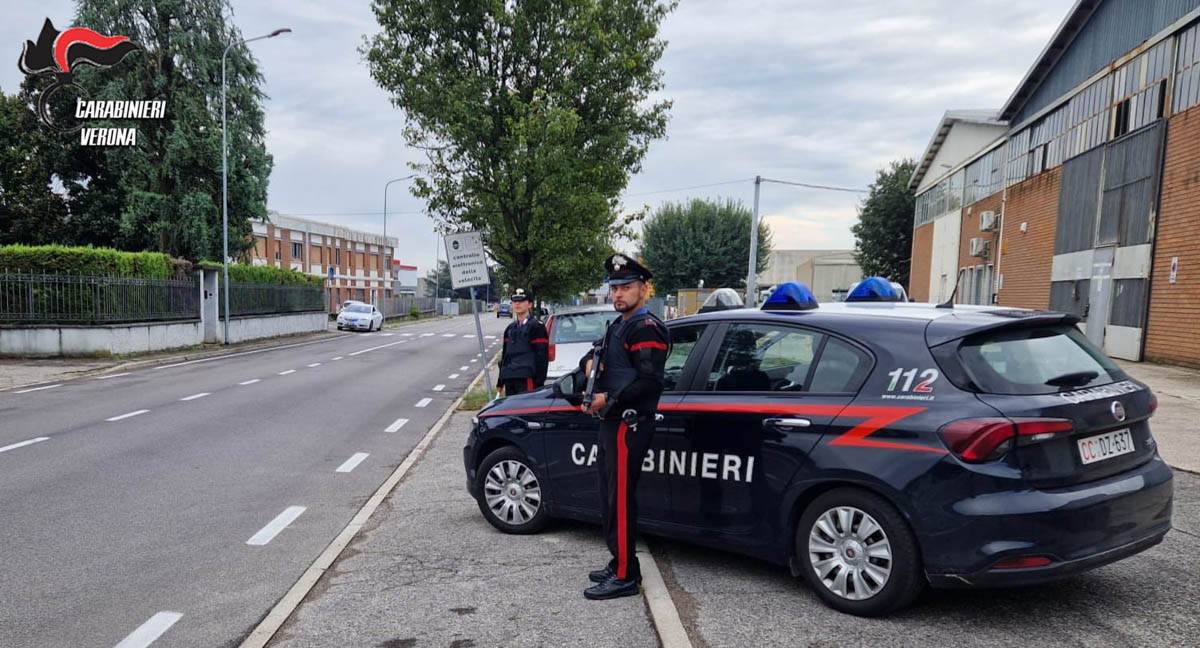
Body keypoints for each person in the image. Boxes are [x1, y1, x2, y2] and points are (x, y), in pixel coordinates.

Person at [579, 254, 670, 600]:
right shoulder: (619, 325)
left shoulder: (646, 328)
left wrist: (610, 401)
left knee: (621, 501)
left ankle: (625, 576)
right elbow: (601, 359)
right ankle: (619, 560)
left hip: (627, 426)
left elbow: (649, 383)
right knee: (609, 497)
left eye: (626, 287)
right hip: (612, 424)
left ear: (644, 289)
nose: (618, 294)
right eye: (614, 288)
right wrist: (588, 366)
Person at [496, 289, 549, 396]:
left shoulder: (537, 327)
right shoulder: (510, 329)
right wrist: (500, 382)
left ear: (529, 304)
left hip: (527, 379)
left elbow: (542, 357)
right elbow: (505, 356)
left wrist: (538, 383)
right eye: (514, 301)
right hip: (509, 378)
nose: (517, 304)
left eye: (521, 301)